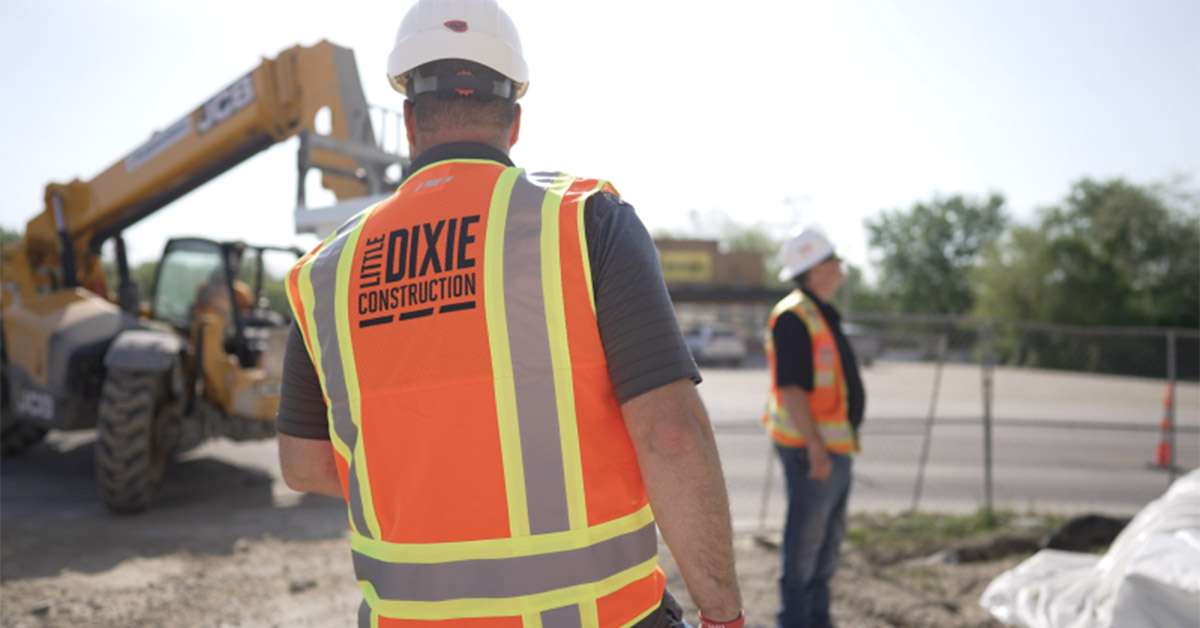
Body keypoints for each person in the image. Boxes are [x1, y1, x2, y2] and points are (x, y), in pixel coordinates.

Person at [273, 1, 744, 626]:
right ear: (514, 120)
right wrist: (724, 616)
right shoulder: (584, 222)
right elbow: (671, 435)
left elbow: (304, 466)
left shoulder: (325, 272)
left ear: (410, 120)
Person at [763, 227, 866, 628]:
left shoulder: (820, 312)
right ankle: (796, 621)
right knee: (805, 546)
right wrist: (816, 449)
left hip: (833, 447)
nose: (841, 266)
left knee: (827, 545)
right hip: (813, 451)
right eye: (833, 259)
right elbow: (791, 389)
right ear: (816, 269)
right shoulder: (793, 317)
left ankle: (818, 619)